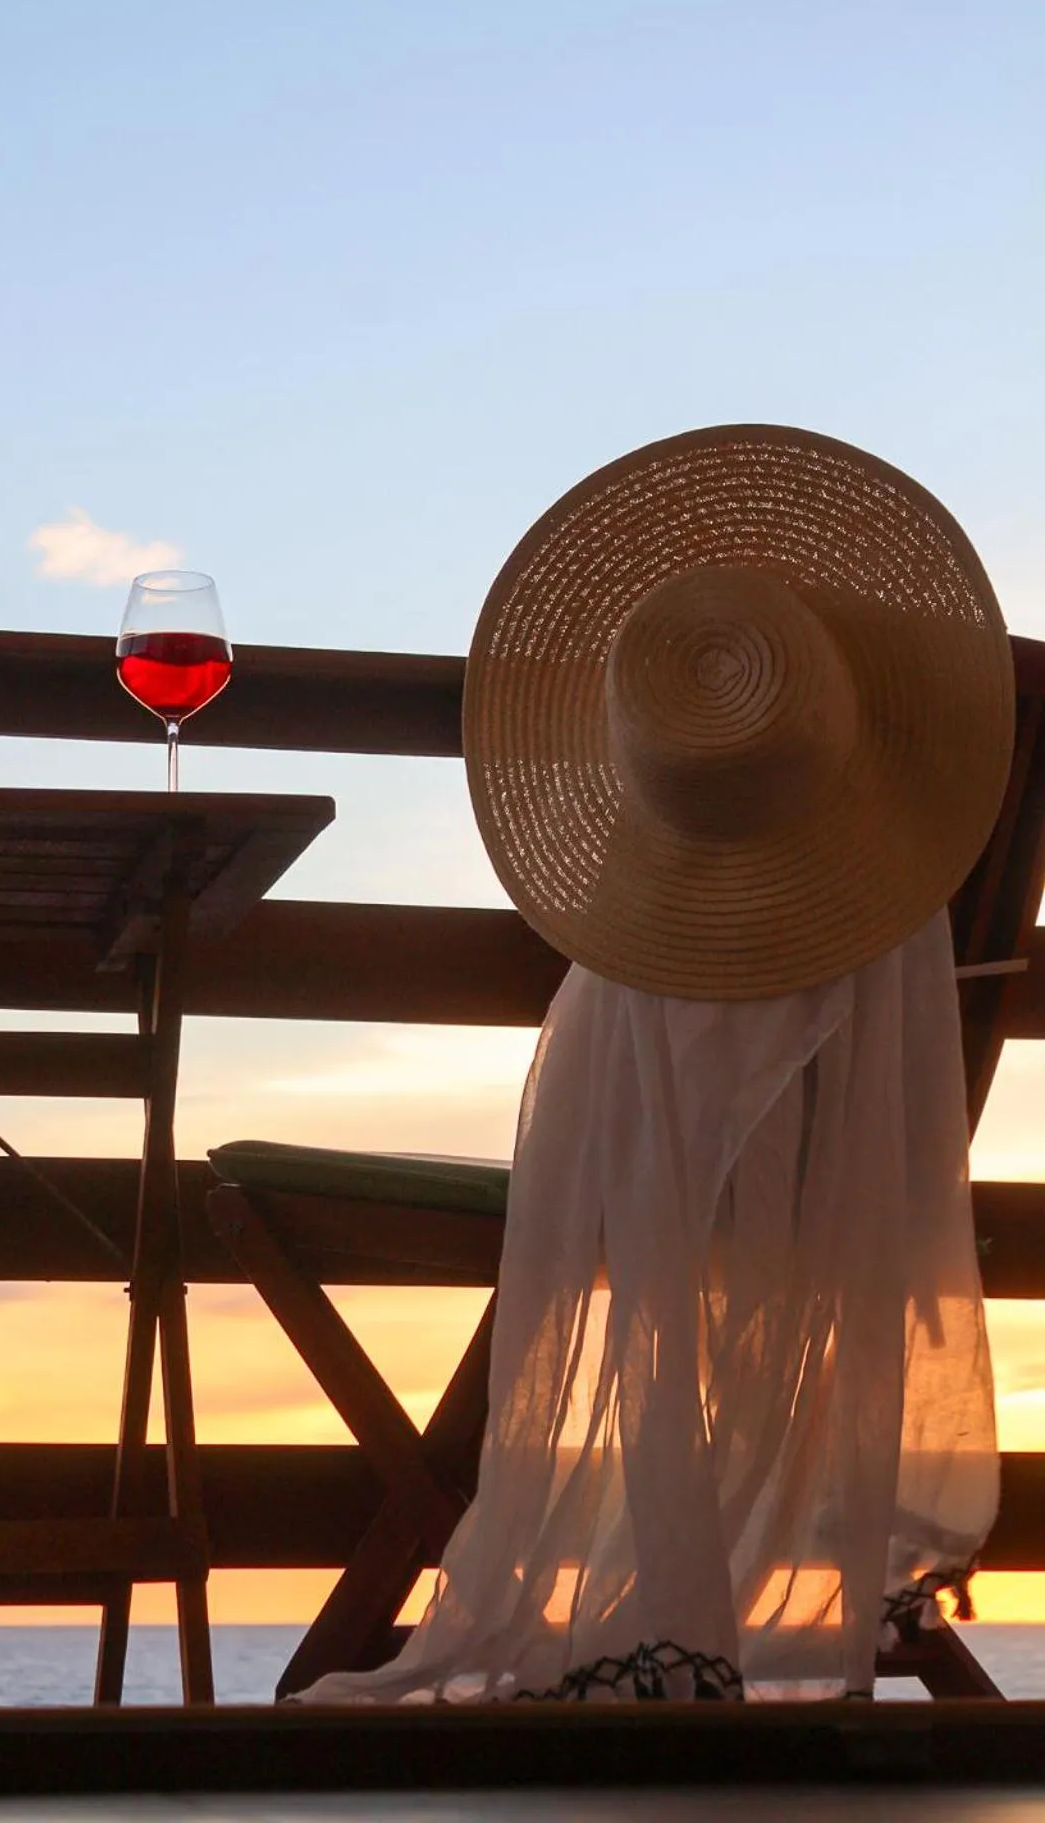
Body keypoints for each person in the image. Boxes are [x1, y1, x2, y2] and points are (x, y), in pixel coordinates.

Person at [298, 424, 1014, 1703]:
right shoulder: (904, 896)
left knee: (237, 1187)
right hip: (837, 1179)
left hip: (724, 1191)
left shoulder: (656, 992)